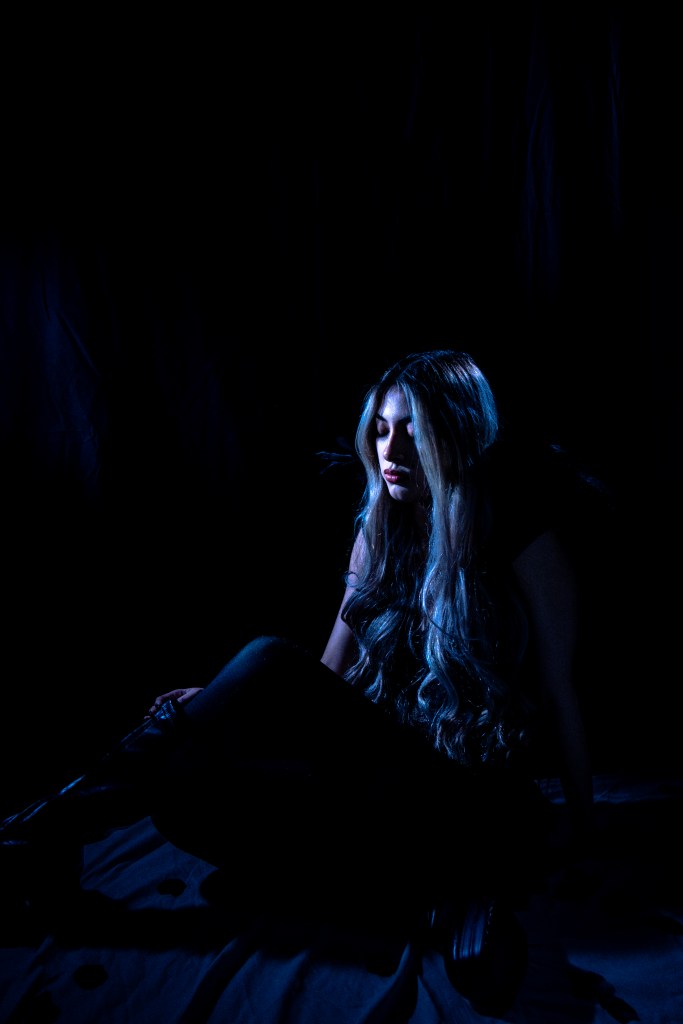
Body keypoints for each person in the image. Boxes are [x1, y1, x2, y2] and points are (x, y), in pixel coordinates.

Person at [0, 349, 604, 1016]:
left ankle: (44, 833)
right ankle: (433, 902)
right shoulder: (379, 532)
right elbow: (323, 684)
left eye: (413, 430)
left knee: (265, 658)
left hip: (469, 792)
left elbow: (561, 689)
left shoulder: (519, 532)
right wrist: (219, 705)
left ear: (457, 432)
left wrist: (582, 825)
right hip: (382, 788)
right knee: (180, 795)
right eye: (381, 429)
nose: (390, 449)